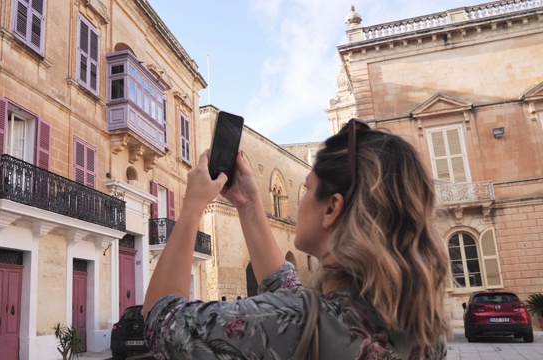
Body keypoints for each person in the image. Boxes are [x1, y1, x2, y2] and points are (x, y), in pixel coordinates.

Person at [143, 119, 450, 359]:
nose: (299, 202)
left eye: (306, 189)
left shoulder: (291, 323)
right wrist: (249, 205)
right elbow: (289, 293)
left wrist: (192, 207)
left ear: (331, 208)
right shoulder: (426, 333)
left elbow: (160, 320)